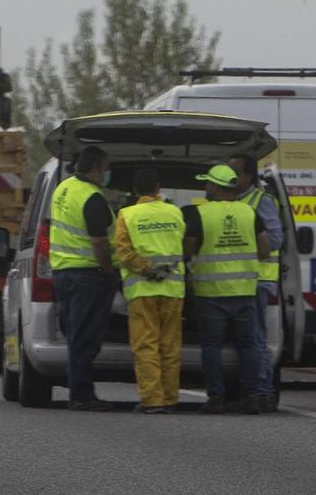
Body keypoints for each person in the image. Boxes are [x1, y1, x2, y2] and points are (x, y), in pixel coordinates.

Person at [183, 163, 272, 414]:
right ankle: (252, 396)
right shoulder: (249, 213)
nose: (205, 187)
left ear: (214, 186)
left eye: (207, 183)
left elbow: (187, 251)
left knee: (211, 346)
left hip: (210, 293)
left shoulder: (199, 214)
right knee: (248, 345)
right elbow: (265, 250)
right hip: (244, 291)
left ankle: (216, 398)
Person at [47, 145, 118, 411]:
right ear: (95, 169)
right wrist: (110, 271)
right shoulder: (92, 197)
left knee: (75, 334)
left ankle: (79, 390)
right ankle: (81, 394)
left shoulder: (63, 189)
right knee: (85, 337)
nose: (107, 174)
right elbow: (100, 242)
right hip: (88, 275)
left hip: (63, 272)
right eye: (106, 168)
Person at [112, 167, 186, 414]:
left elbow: (123, 254)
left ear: (135, 191)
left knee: (146, 345)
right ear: (158, 189)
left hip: (142, 290)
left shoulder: (127, 215)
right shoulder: (175, 212)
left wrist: (146, 269)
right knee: (170, 345)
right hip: (173, 290)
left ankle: (153, 400)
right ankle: (170, 398)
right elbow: (182, 245)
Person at [229, 152, 284, 403]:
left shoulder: (261, 201)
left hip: (259, 280)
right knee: (246, 339)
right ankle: (249, 390)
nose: (231, 178)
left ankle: (263, 392)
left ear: (249, 175)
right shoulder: (231, 200)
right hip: (239, 281)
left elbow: (274, 239)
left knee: (256, 339)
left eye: (236, 173)